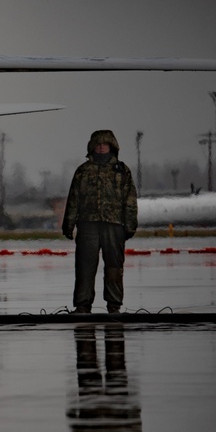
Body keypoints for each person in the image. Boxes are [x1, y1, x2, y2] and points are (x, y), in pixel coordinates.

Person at [62, 130, 138, 313]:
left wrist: (130, 225)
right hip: (88, 224)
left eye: (105, 144)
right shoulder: (83, 171)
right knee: (84, 267)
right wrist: (69, 224)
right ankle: (82, 305)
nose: (101, 147)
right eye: (98, 144)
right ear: (92, 146)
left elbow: (130, 200)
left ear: (112, 146)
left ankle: (114, 306)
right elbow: (74, 199)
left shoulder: (122, 171)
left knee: (114, 267)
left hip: (114, 225)